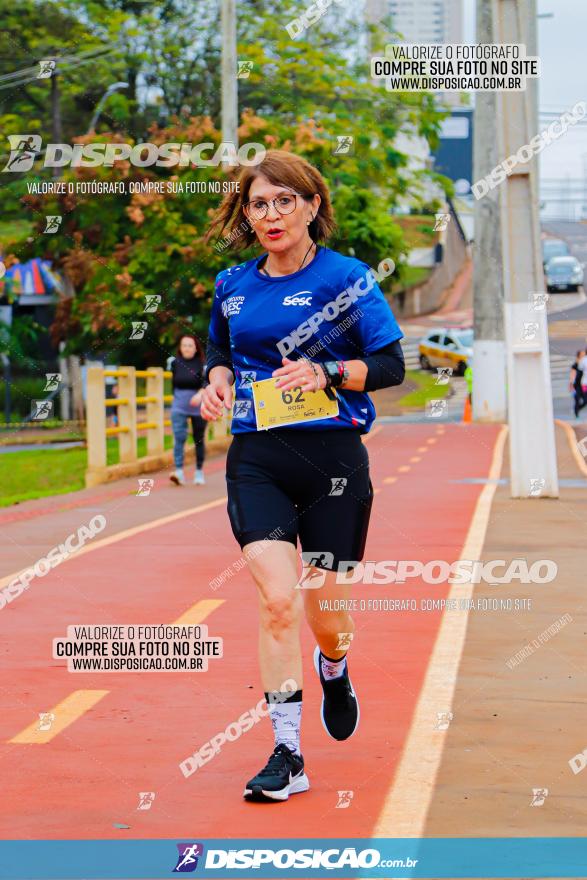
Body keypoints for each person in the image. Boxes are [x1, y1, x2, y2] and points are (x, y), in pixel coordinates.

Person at [201, 149, 405, 803]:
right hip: (256, 457)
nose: (270, 214)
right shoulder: (231, 283)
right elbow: (219, 349)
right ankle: (286, 751)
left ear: (312, 207)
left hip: (333, 462)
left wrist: (326, 372)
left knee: (327, 612)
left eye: (284, 200)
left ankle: (335, 667)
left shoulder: (346, 279)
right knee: (275, 600)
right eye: (258, 203)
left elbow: (391, 364)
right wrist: (216, 380)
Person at [169, 334, 207, 485]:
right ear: (180, 347)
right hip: (179, 406)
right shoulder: (174, 363)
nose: (187, 348)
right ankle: (178, 471)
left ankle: (199, 472)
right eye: (184, 345)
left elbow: (206, 383)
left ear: (196, 348)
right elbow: (173, 384)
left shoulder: (202, 364)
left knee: (198, 439)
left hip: (198, 407)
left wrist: (200, 394)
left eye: (190, 345)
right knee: (179, 438)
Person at [570, 350, 586, 419]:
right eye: (582, 354)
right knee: (577, 400)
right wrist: (571, 384)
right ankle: (576, 415)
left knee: (585, 400)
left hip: (584, 384)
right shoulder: (576, 364)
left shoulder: (584, 362)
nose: (584, 355)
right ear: (579, 356)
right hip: (577, 385)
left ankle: (577, 409)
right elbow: (572, 374)